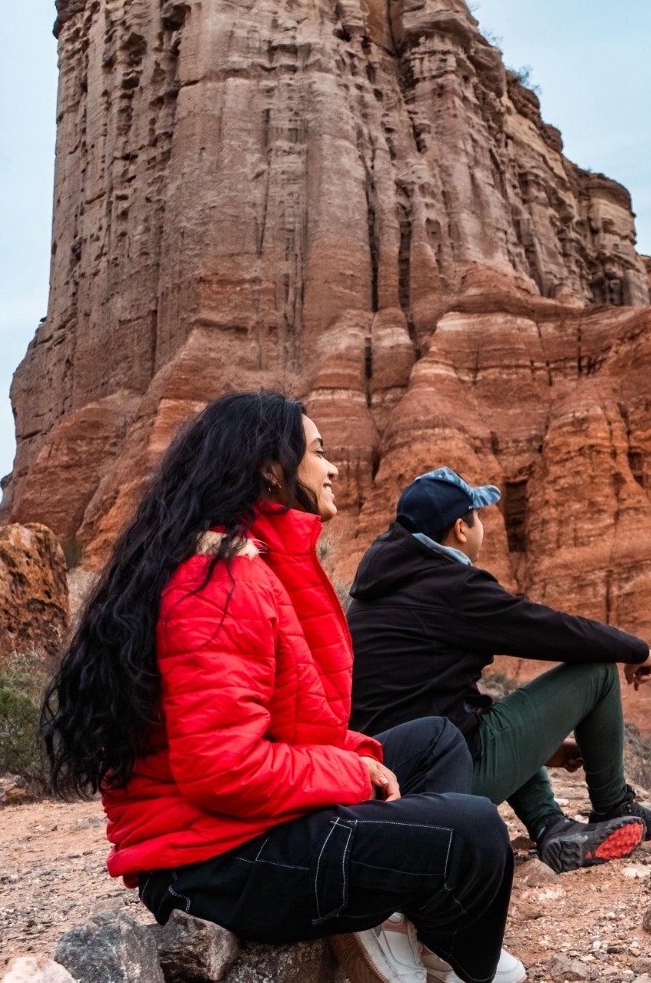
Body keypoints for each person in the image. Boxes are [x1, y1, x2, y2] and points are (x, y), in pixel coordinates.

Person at [41, 393, 523, 983]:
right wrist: (351, 772)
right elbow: (221, 769)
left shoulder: (251, 560)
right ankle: (454, 962)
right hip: (213, 862)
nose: (333, 467)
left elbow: (284, 723)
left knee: (435, 742)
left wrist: (353, 757)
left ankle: (398, 925)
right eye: (318, 452)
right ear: (272, 470)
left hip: (240, 828)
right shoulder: (218, 580)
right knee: (477, 833)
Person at [346, 467, 651, 874]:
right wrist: (637, 650)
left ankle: (551, 826)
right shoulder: (452, 588)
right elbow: (550, 630)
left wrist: (544, 749)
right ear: (460, 528)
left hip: (384, 783)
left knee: (489, 712)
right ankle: (615, 807)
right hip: (443, 780)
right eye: (478, 516)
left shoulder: (373, 594)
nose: (482, 526)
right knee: (597, 670)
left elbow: (425, 701)